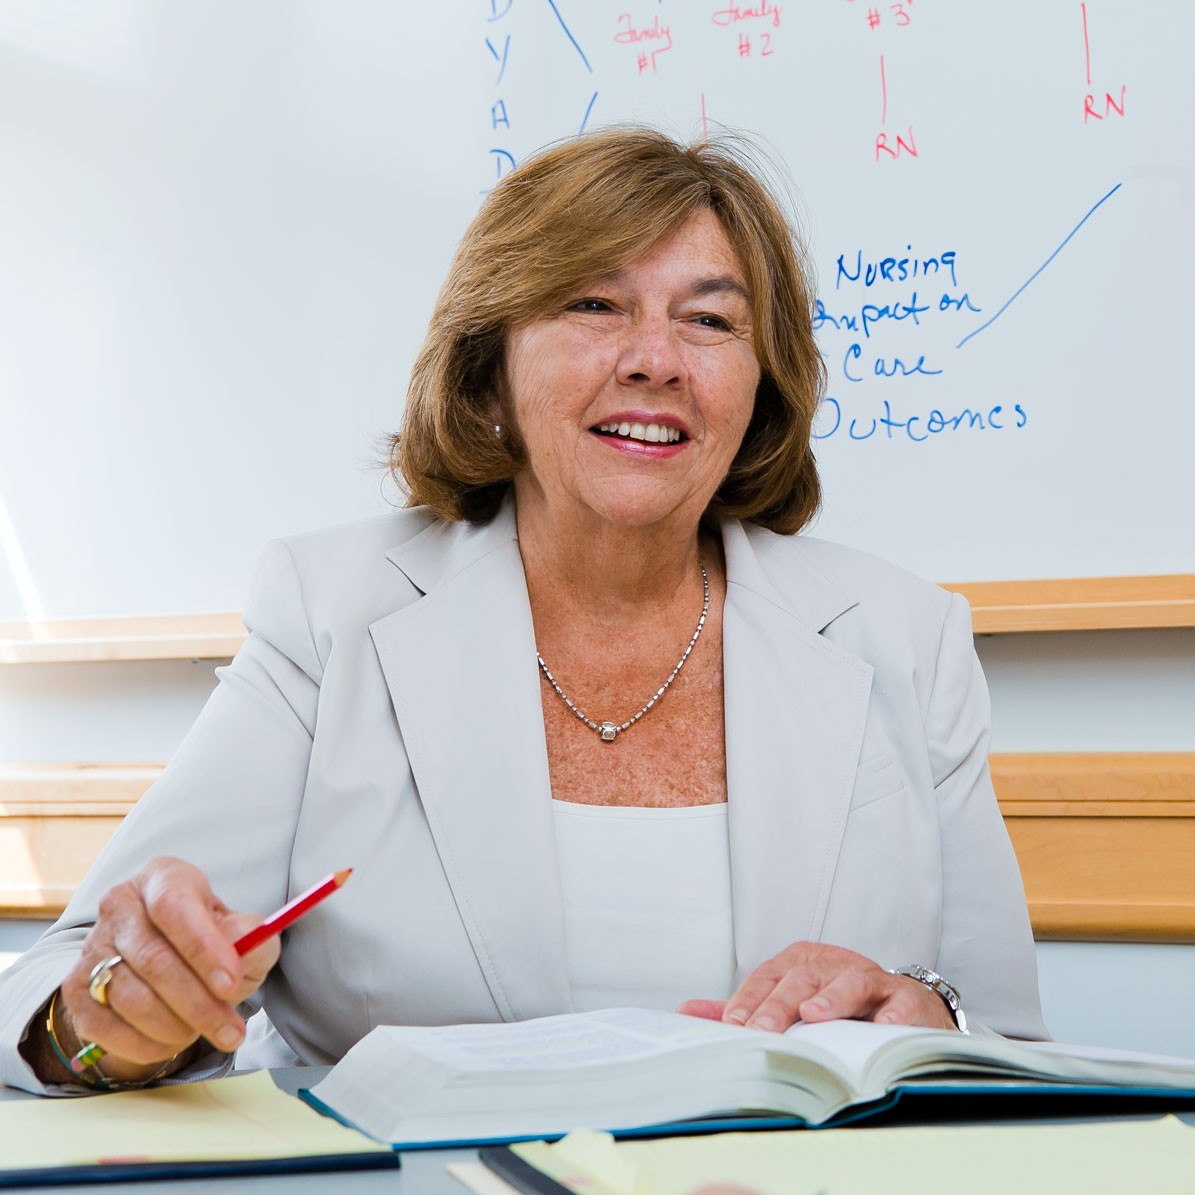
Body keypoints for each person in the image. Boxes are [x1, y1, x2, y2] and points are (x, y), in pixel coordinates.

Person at [0, 127, 1047, 1095]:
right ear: (488, 369)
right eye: (593, 306)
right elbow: (58, 992)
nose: (654, 358)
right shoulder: (333, 616)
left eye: (710, 320)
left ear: (760, 389)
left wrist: (928, 1013)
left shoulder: (904, 637)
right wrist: (114, 1012)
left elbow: (1007, 1047)